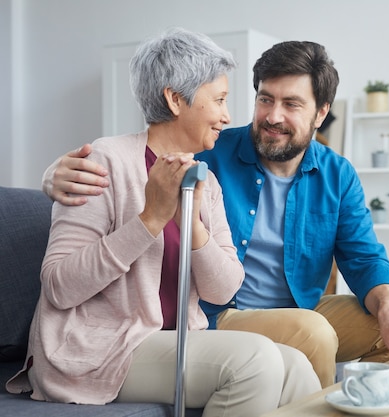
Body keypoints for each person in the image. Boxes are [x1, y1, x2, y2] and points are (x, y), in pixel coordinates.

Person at [42, 39, 389, 388]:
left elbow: (364, 257)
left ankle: (369, 403)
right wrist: (51, 175)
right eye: (265, 99)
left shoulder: (337, 175)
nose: (273, 116)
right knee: (315, 332)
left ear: (321, 114)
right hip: (225, 314)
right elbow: (144, 155)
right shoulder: (211, 149)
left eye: (291, 104)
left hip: (301, 308)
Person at [7, 28, 320, 416]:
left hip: (169, 340)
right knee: (254, 361)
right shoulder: (103, 163)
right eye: (219, 100)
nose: (227, 115)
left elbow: (223, 290)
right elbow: (59, 286)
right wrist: (150, 219)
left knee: (297, 369)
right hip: (97, 348)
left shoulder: (206, 179)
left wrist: (193, 228)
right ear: (175, 99)